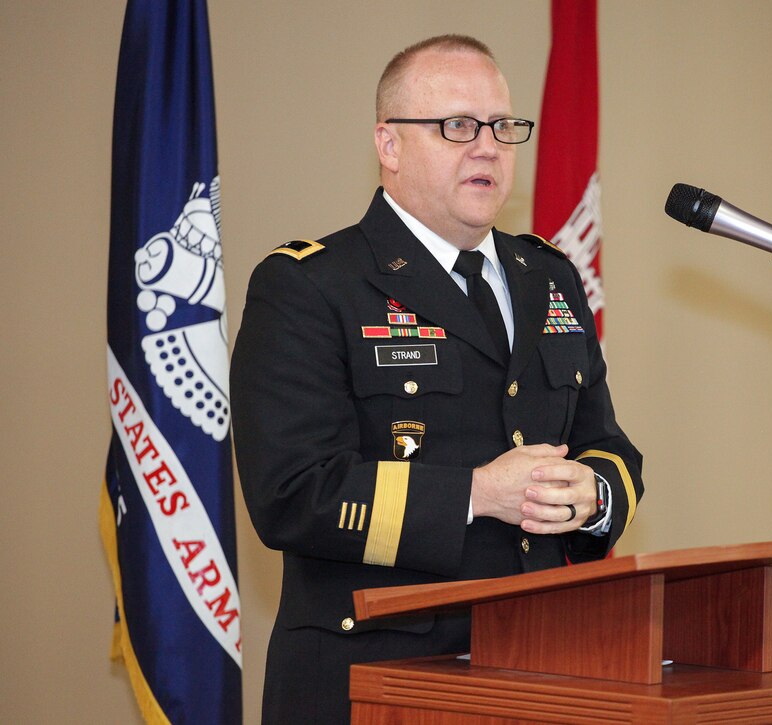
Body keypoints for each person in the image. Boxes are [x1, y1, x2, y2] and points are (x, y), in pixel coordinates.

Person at [230, 34, 643, 724]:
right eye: (457, 126)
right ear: (389, 146)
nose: (488, 147)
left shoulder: (551, 275)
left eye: (503, 128)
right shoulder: (310, 285)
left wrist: (592, 495)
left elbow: (608, 446)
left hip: (540, 668)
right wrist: (477, 493)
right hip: (375, 678)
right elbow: (291, 494)